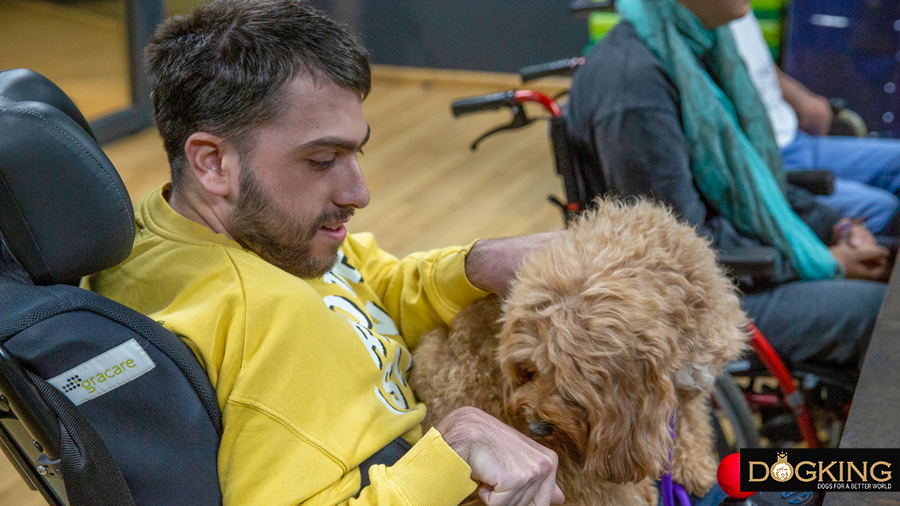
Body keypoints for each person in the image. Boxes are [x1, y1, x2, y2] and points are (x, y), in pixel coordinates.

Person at [84, 1, 567, 505]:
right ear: (212, 163)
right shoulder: (267, 318)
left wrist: (470, 266)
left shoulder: (190, 226)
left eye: (357, 151)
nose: (359, 193)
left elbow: (365, 285)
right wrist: (455, 451)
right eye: (321, 160)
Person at [566, 0, 890, 373]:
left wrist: (839, 226)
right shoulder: (633, 85)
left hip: (740, 268)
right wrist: (825, 264)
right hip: (695, 305)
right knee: (885, 315)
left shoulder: (699, 48)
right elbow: (679, 249)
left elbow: (761, 186)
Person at [729, 11, 900, 236]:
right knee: (883, 209)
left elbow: (759, 65)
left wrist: (808, 103)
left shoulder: (735, 10)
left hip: (798, 140)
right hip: (768, 161)